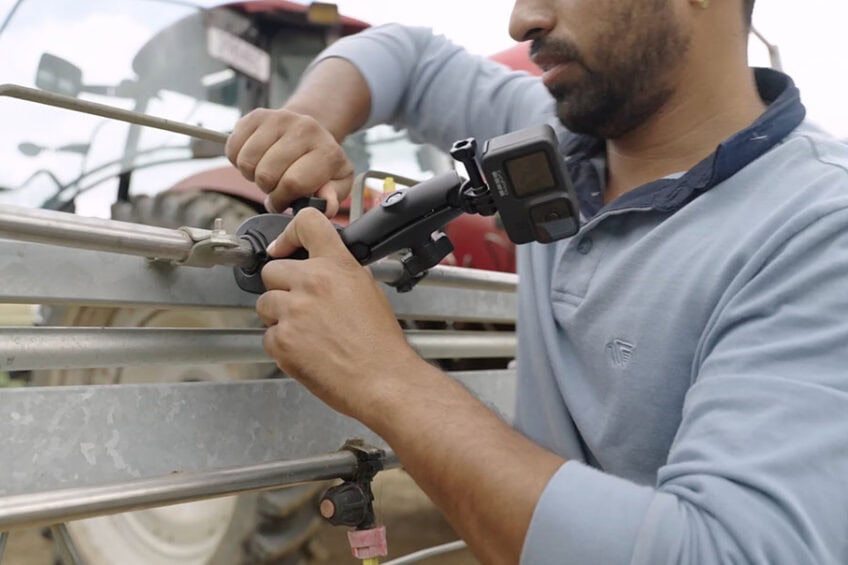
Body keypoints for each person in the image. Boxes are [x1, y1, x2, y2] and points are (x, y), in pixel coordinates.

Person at [226, 0, 848, 562]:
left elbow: (727, 552)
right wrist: (306, 119)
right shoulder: (551, 141)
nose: (521, 21)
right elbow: (407, 56)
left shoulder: (820, 229)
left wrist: (382, 376)